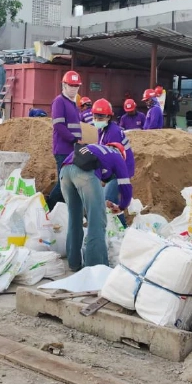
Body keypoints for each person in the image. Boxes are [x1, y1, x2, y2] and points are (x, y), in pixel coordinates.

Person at [60, 142, 132, 270]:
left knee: (74, 218)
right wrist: (122, 206)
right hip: (84, 173)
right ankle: (95, 268)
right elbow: (125, 185)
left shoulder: (97, 149)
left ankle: (74, 263)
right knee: (96, 221)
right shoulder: (117, 156)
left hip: (64, 172)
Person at [48, 70, 83, 208]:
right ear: (64, 85)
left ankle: (61, 210)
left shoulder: (72, 103)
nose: (74, 89)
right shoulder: (59, 101)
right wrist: (74, 139)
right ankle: (49, 207)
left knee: (69, 183)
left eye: (76, 86)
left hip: (72, 150)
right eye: (71, 85)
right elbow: (59, 126)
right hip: (63, 150)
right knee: (64, 182)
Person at [92, 99, 135, 208]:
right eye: (95, 117)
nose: (96, 120)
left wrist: (103, 177)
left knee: (106, 200)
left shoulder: (113, 132)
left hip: (120, 169)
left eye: (100, 118)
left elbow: (112, 159)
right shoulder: (102, 129)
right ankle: (120, 219)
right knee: (113, 204)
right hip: (114, 169)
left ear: (109, 117)